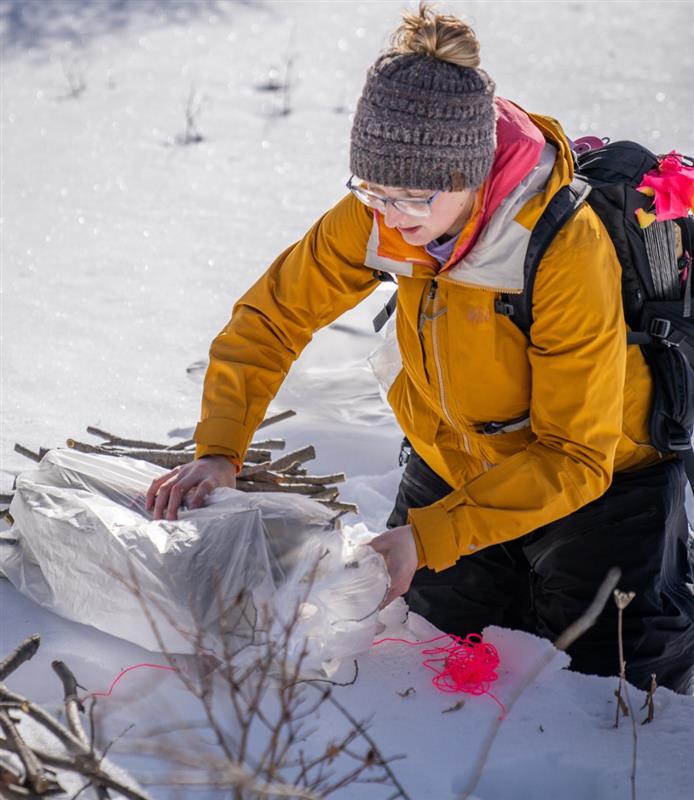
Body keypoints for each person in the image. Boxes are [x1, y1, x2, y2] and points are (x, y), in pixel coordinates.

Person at [146, 3, 694, 692]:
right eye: (373, 193)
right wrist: (220, 449)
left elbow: (575, 456)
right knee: (437, 641)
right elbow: (271, 317)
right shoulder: (382, 209)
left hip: (602, 477)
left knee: (616, 673)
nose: (392, 220)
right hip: (452, 460)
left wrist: (429, 538)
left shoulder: (560, 245)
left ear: (472, 178)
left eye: (413, 198)